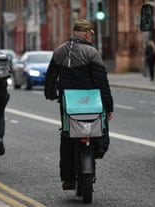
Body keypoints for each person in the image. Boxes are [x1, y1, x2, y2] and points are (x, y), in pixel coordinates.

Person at [44, 19, 114, 190]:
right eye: (90, 34)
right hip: (92, 101)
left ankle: (68, 178)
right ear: (86, 34)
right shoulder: (91, 53)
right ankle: (99, 149)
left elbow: (50, 78)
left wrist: (51, 94)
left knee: (67, 136)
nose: (90, 37)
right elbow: (102, 81)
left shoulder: (59, 51)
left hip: (68, 102)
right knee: (99, 126)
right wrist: (109, 106)